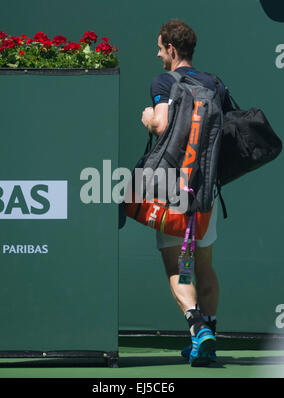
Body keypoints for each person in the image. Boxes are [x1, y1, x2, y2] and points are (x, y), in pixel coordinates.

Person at [141, 19, 232, 367]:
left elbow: (161, 124)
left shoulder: (164, 80)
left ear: (172, 50)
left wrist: (148, 116)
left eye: (160, 47)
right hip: (206, 190)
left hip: (171, 189)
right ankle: (207, 332)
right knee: (205, 266)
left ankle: (197, 328)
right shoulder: (215, 84)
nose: (157, 53)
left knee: (176, 266)